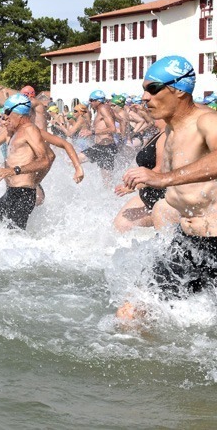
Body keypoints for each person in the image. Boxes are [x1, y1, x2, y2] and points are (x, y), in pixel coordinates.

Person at [117, 55, 217, 319]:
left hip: (213, 242)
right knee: (132, 312)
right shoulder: (171, 130)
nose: (145, 98)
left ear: (179, 90)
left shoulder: (206, 121)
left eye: (152, 89)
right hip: (187, 242)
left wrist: (163, 178)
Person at [0, 94, 50, 230]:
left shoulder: (30, 130)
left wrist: (14, 171)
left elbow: (45, 160)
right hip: (11, 192)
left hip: (23, 194)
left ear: (19, 113)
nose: (5, 116)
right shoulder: (11, 132)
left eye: (8, 112)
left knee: (14, 235)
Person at [113, 119, 177, 232]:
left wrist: (134, 185)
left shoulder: (165, 135)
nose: (150, 115)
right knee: (121, 223)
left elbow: (161, 169)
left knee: (124, 224)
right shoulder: (159, 133)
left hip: (162, 197)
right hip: (148, 195)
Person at [82, 90, 118, 183]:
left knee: (74, 160)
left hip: (105, 147)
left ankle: (80, 183)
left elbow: (112, 128)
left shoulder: (103, 108)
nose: (90, 102)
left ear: (98, 101)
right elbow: (122, 120)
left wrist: (92, 132)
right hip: (104, 146)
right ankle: (109, 195)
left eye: (91, 100)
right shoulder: (106, 108)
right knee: (106, 180)